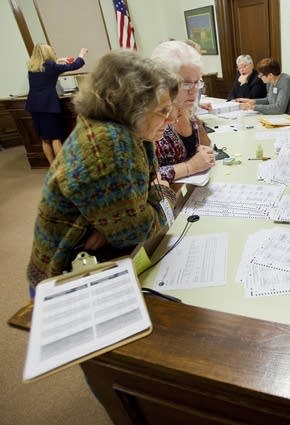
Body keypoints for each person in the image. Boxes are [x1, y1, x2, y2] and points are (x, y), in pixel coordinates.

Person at [26, 50, 180, 295]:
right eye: (163, 110)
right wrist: (167, 196)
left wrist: (115, 226)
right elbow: (136, 229)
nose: (171, 119)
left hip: (90, 262)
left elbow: (138, 204)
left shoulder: (129, 131)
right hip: (62, 279)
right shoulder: (109, 145)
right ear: (132, 107)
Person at [151, 40, 216, 183]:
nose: (193, 91)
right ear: (162, 82)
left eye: (197, 82)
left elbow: (197, 148)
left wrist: (202, 153)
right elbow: (144, 180)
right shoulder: (150, 120)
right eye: (185, 83)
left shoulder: (186, 108)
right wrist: (190, 166)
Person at [25, 44, 88, 164]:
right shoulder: (51, 66)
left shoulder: (32, 67)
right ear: (48, 53)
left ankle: (51, 165)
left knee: (45, 139)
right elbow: (75, 65)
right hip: (48, 106)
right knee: (55, 138)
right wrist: (81, 54)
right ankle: (61, 167)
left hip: (34, 106)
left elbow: (47, 69)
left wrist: (59, 60)